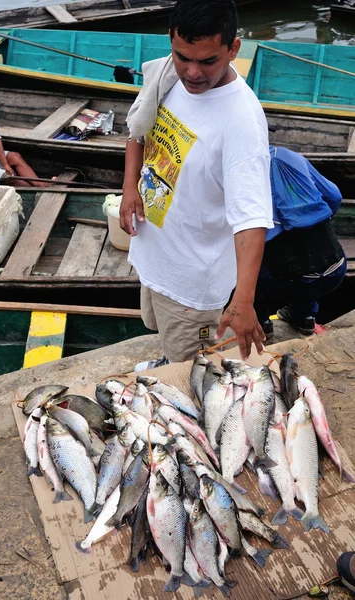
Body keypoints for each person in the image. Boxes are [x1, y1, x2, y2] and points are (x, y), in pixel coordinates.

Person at [120, 0, 273, 364]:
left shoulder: (241, 123)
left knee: (192, 369)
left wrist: (243, 301)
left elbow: (252, 219)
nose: (192, 73)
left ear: (233, 49)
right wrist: (129, 189)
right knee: (163, 336)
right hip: (154, 256)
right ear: (171, 41)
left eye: (208, 61)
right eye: (182, 56)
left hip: (192, 286)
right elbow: (137, 131)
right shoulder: (167, 76)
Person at [254, 145, 346, 338]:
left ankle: (261, 324)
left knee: (243, 261)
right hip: (337, 267)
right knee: (303, 267)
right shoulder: (287, 155)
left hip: (290, 280)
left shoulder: (243, 172)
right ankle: (304, 316)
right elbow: (335, 197)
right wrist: (316, 221)